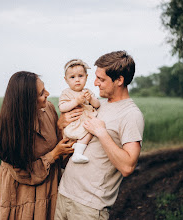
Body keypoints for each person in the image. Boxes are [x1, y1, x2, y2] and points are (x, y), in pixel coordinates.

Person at [55, 51, 145, 220]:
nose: (95, 83)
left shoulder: (131, 115)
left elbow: (127, 167)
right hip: (64, 193)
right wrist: (61, 124)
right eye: (96, 77)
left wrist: (101, 133)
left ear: (119, 80)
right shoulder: (97, 105)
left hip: (89, 207)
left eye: (101, 79)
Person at [0, 71, 82, 220]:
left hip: (48, 189)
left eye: (44, 88)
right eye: (41, 93)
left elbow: (57, 144)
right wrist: (53, 155)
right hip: (21, 196)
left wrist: (60, 128)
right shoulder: (11, 131)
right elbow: (23, 174)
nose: (47, 93)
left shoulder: (49, 109)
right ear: (27, 101)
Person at [59, 59, 100, 164]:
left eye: (80, 76)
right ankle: (76, 153)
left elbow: (97, 104)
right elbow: (62, 107)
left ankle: (78, 151)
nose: (77, 80)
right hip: (75, 123)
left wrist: (90, 99)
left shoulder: (88, 92)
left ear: (86, 77)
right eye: (72, 77)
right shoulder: (66, 93)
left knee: (89, 132)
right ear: (66, 80)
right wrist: (76, 101)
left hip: (85, 122)